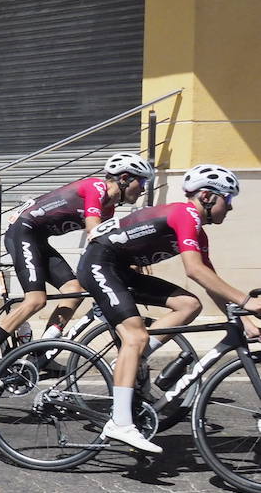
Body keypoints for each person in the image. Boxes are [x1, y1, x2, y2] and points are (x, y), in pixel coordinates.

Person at [77, 164, 261, 454]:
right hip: (100, 264)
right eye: (229, 199)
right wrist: (248, 302)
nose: (231, 208)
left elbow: (210, 280)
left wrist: (244, 319)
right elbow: (194, 271)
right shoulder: (185, 214)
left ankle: (134, 358)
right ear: (208, 196)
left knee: (189, 304)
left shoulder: (198, 232)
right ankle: (120, 423)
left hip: (119, 268)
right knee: (134, 337)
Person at [0, 152, 155, 379]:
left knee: (74, 292)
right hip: (22, 232)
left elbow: (107, 247)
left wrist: (130, 263)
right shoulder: (95, 188)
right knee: (36, 299)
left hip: (38, 239)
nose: (143, 189)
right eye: (142, 181)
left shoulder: (109, 208)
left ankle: (39, 354)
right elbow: (94, 231)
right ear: (125, 178)